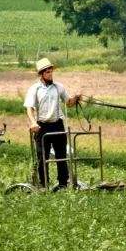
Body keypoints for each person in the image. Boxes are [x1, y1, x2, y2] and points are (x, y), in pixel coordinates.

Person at [24, 58, 80, 190]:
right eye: (48, 72)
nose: (50, 74)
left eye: (51, 72)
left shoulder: (58, 87)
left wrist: (75, 98)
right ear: (41, 74)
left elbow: (68, 103)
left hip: (57, 124)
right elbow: (29, 108)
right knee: (42, 157)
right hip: (42, 126)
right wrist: (33, 123)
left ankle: (63, 185)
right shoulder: (35, 89)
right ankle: (44, 185)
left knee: (61, 156)